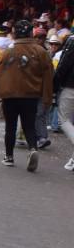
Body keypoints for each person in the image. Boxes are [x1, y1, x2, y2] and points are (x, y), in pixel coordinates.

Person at [0, 19, 54, 171]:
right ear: (31, 32)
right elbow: (48, 75)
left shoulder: (8, 51)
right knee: (29, 126)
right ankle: (33, 149)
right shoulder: (41, 51)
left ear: (15, 33)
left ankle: (9, 157)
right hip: (30, 96)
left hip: (10, 95)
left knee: (10, 127)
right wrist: (47, 97)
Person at [53, 30, 74, 171]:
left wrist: (54, 85)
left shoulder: (72, 40)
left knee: (63, 120)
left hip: (70, 86)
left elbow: (64, 64)